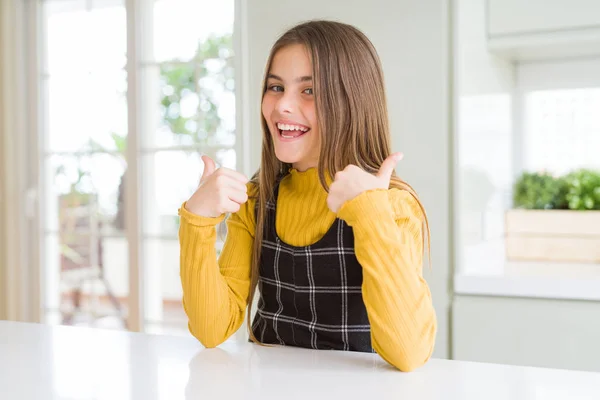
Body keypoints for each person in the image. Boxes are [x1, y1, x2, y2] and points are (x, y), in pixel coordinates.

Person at [178, 20, 437, 372]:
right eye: (275, 86)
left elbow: (408, 354)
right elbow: (211, 329)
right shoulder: (256, 201)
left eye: (309, 90)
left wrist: (370, 212)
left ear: (352, 100)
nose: (282, 105)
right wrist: (197, 221)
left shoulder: (392, 205)